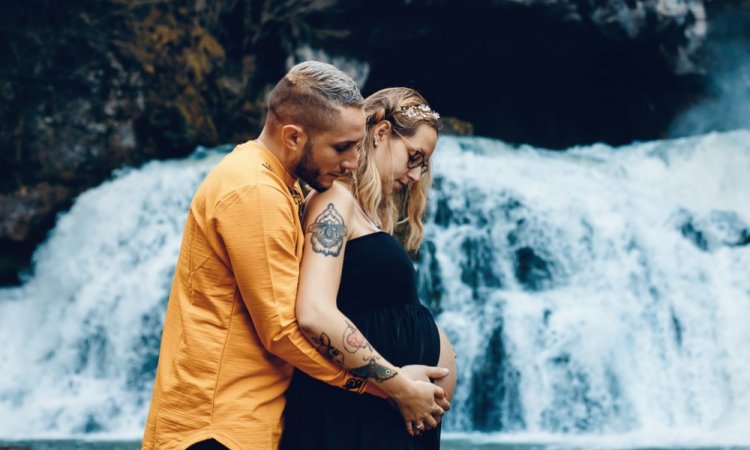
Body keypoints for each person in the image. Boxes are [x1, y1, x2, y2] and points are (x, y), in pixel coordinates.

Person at [142, 63, 450, 450]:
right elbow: (285, 329)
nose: (353, 162)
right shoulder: (253, 190)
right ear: (292, 136)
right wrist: (390, 386)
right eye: (342, 147)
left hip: (249, 423)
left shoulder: (280, 188)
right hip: (216, 428)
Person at [281, 87, 458, 450]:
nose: (415, 175)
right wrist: (397, 384)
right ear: (380, 134)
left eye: (423, 165)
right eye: (414, 156)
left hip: (384, 414)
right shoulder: (334, 200)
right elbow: (315, 313)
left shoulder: (363, 214)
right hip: (358, 414)